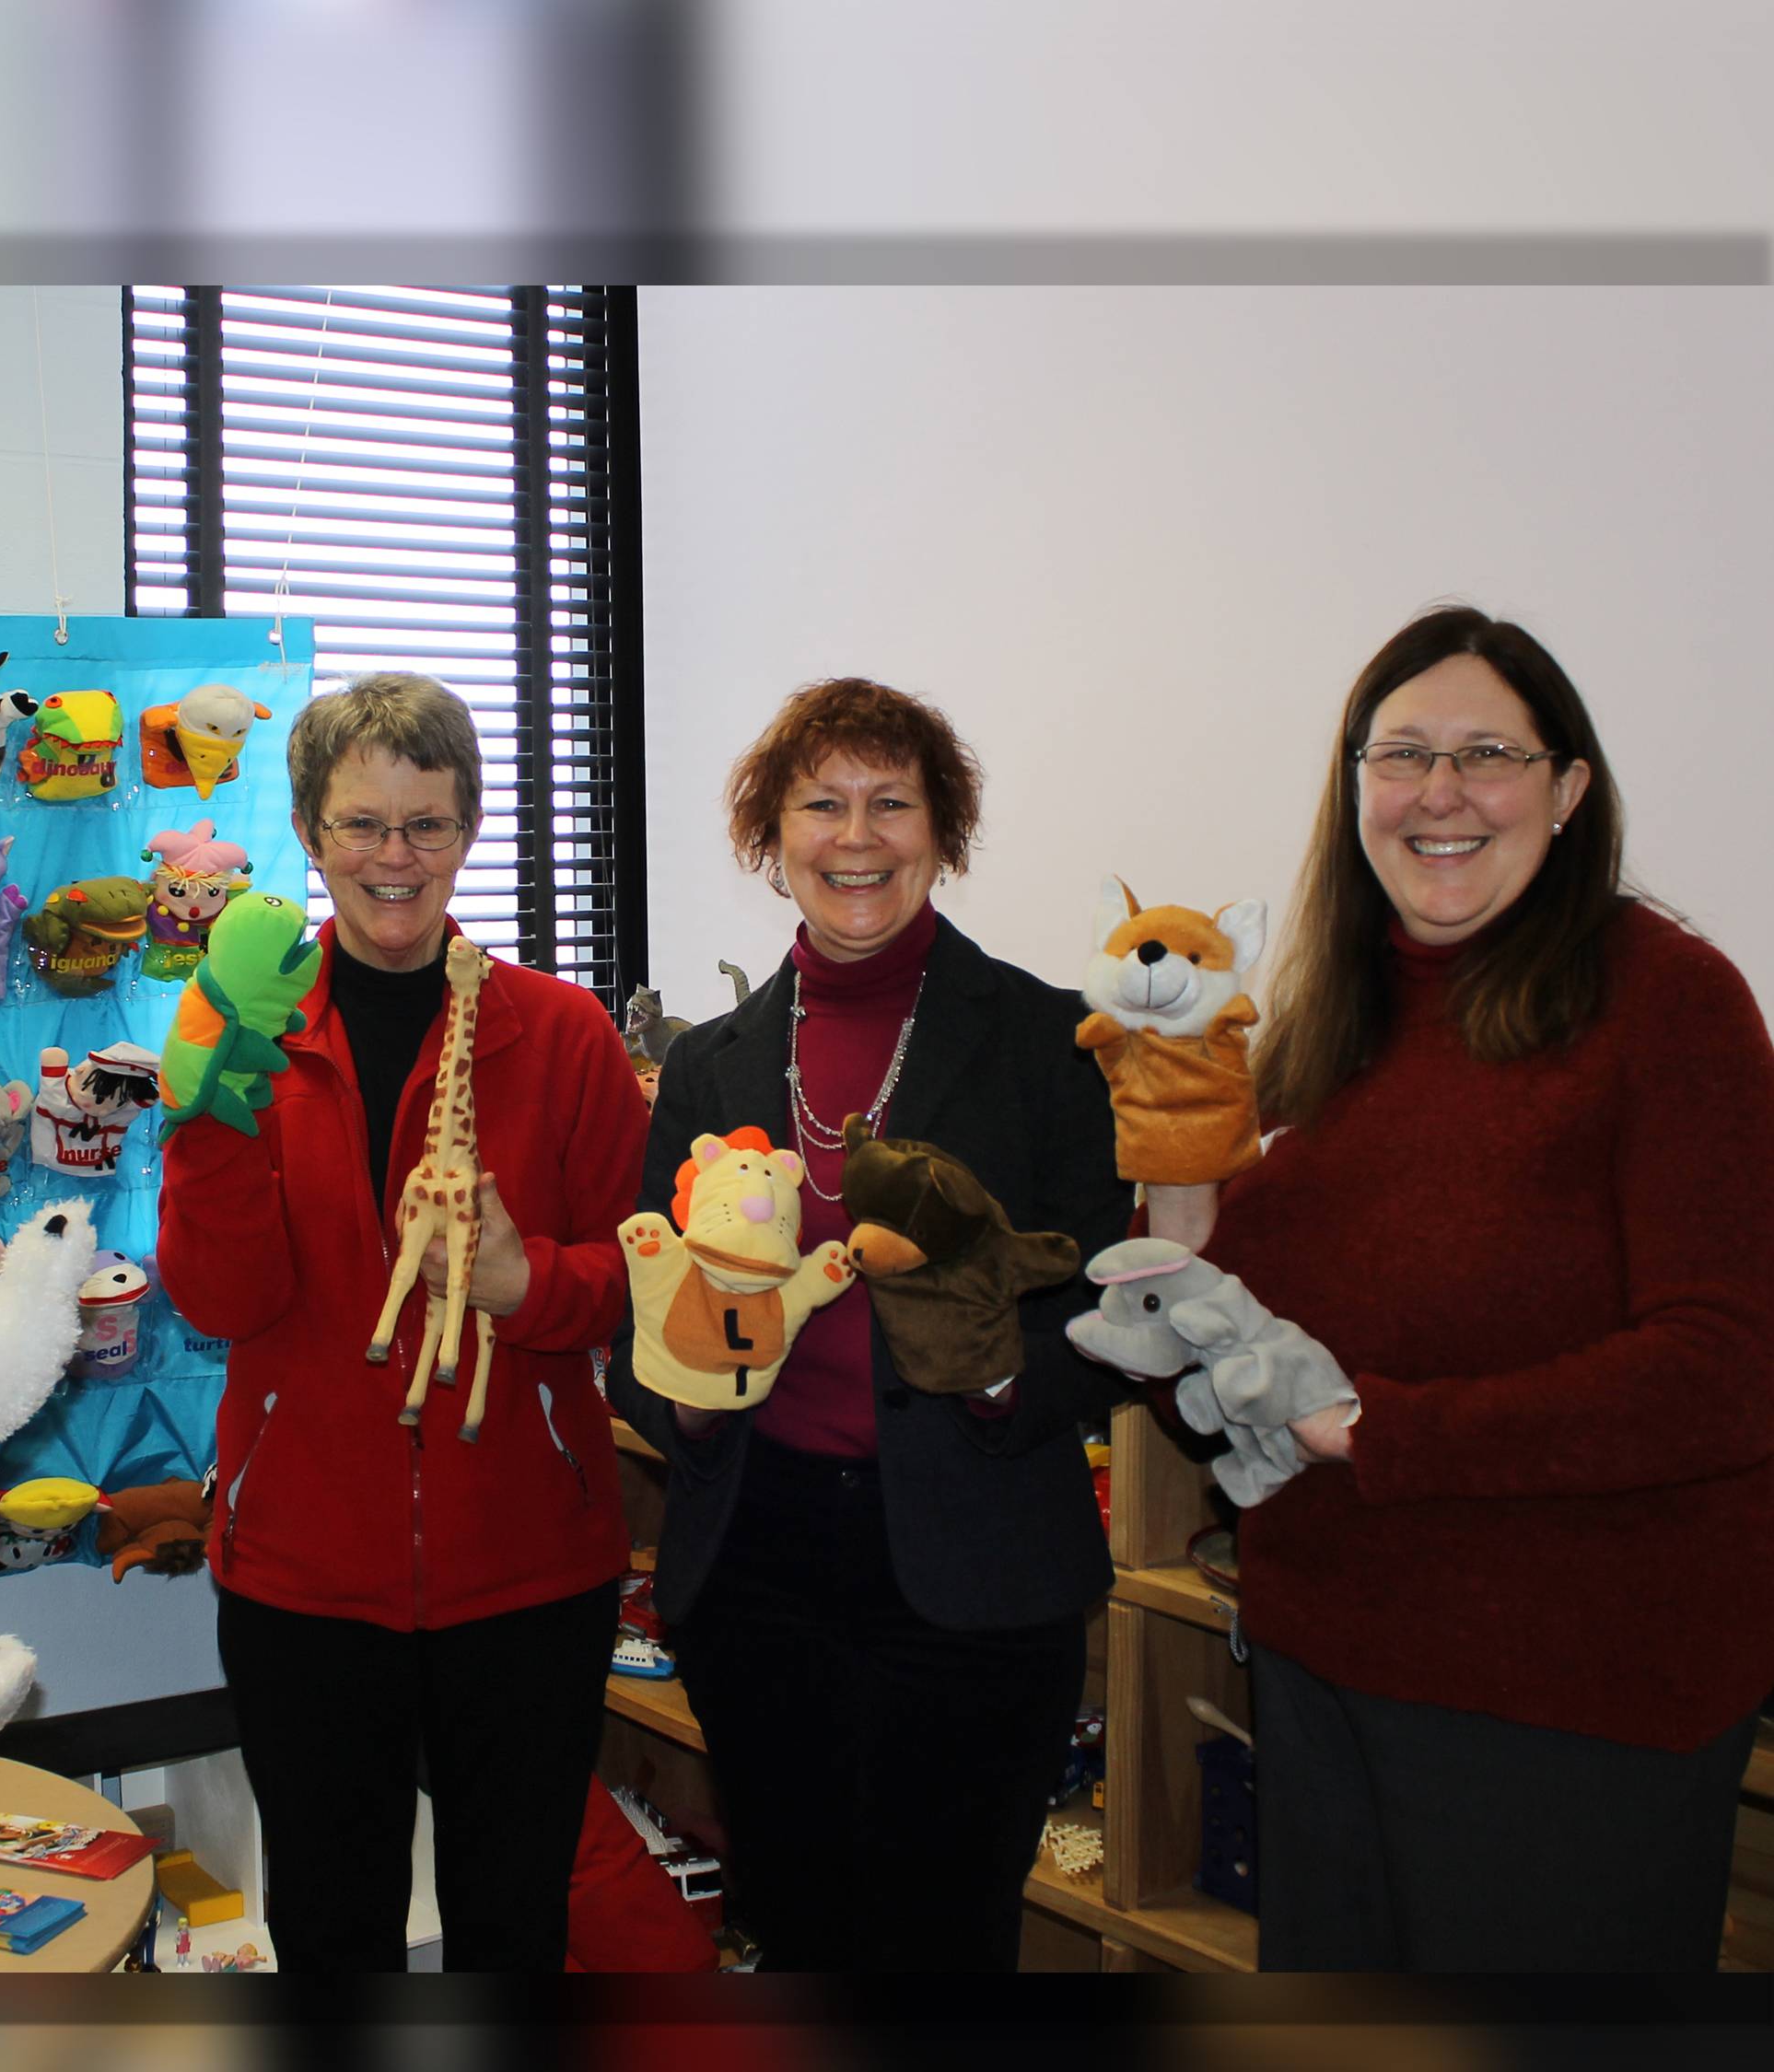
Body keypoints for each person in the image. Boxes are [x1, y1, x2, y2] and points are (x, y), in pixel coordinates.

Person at [1184, 605, 1774, 1971]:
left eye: (1487, 753)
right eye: (1401, 754)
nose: (1439, 793)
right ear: (1355, 790)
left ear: (1568, 790)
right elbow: (1231, 1306)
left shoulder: (1669, 1003)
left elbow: (1724, 1368)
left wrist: (1379, 1431)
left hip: (1570, 1699)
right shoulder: (1337, 1013)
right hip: (1327, 1654)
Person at [605, 676, 1134, 1973]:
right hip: (760, 1562)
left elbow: (1111, 1298)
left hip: (975, 1566)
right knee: (793, 1925)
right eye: (823, 802)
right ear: (770, 839)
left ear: (941, 831)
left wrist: (1005, 1378)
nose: (858, 836)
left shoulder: (1048, 1038)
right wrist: (681, 1389)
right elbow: (640, 1323)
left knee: (947, 1942)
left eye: (892, 802)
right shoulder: (713, 1064)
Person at [156, 671, 648, 1972]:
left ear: (467, 830)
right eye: (362, 823)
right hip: (303, 1574)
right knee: (330, 1925)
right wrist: (208, 1123)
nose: (393, 857)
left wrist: (522, 1283)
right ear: (311, 832)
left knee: (512, 1923)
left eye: (426, 824)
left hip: (529, 1569)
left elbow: (638, 1279)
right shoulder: (247, 1027)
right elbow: (221, 1300)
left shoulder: (561, 1031)